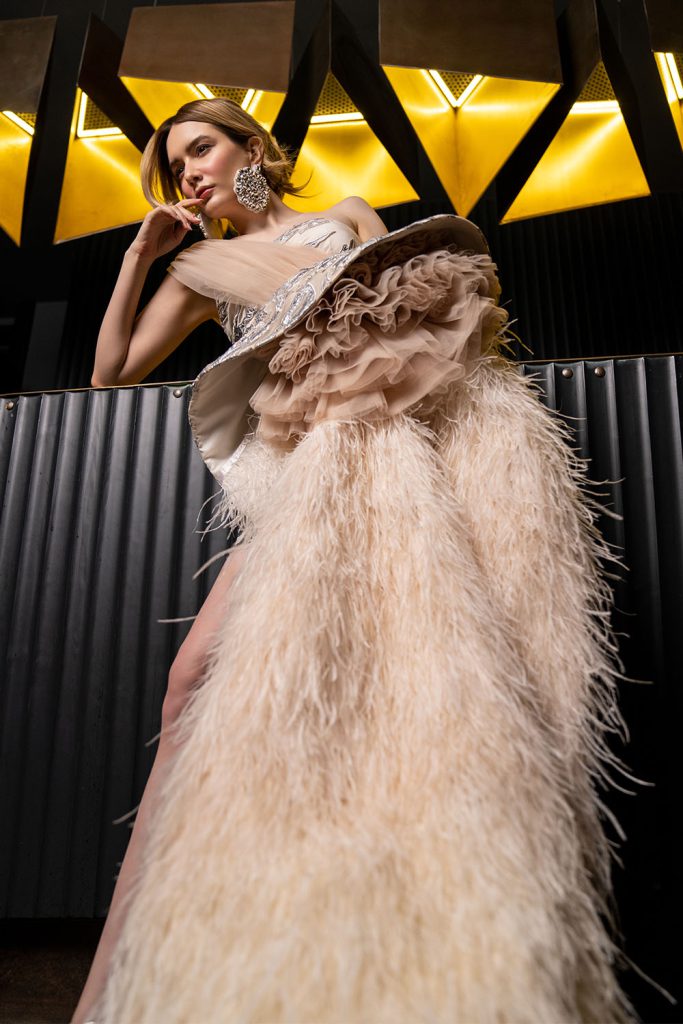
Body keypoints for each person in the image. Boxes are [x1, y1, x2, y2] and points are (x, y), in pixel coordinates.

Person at [72, 97, 632, 1024]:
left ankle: (424, 918)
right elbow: (110, 370)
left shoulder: (348, 217)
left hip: (410, 455)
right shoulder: (198, 271)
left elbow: (433, 337)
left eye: (201, 148)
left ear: (253, 148)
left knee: (416, 659)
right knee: (191, 681)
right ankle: (132, 974)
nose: (190, 173)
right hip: (302, 473)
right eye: (175, 167)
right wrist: (140, 255)